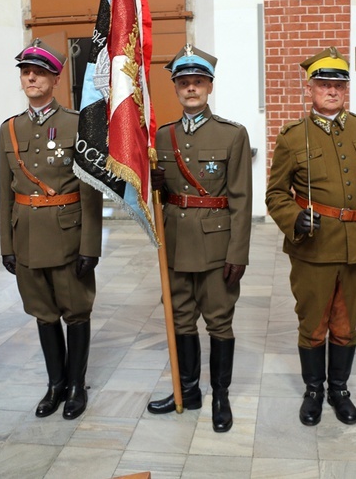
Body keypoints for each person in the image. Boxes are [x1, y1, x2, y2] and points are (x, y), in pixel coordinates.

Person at [266, 47, 356, 427]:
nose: (332, 90)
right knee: (314, 323)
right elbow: (275, 194)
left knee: (345, 323)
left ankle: (339, 390)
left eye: (338, 83)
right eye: (324, 83)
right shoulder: (293, 136)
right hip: (313, 248)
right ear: (310, 88)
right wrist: (294, 218)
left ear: (346, 88)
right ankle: (314, 391)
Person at [147, 44, 252, 433]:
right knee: (180, 320)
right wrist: (154, 186)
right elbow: (158, 199)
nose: (191, 89)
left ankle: (219, 395)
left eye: (198, 82)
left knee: (219, 322)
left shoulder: (232, 134)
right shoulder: (161, 136)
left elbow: (241, 198)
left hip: (216, 244)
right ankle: (188, 390)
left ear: (210, 86)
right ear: (176, 88)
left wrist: (237, 252)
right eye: (184, 83)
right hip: (175, 244)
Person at [0, 39, 103, 420]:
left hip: (68, 234)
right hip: (26, 236)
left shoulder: (77, 124)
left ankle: (76, 386)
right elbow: (5, 190)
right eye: (26, 72)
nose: (31, 77)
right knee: (43, 313)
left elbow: (91, 191)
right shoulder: (9, 129)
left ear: (55, 78)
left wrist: (91, 245)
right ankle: (55, 384)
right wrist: (6, 246)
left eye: (39, 72)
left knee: (76, 311)